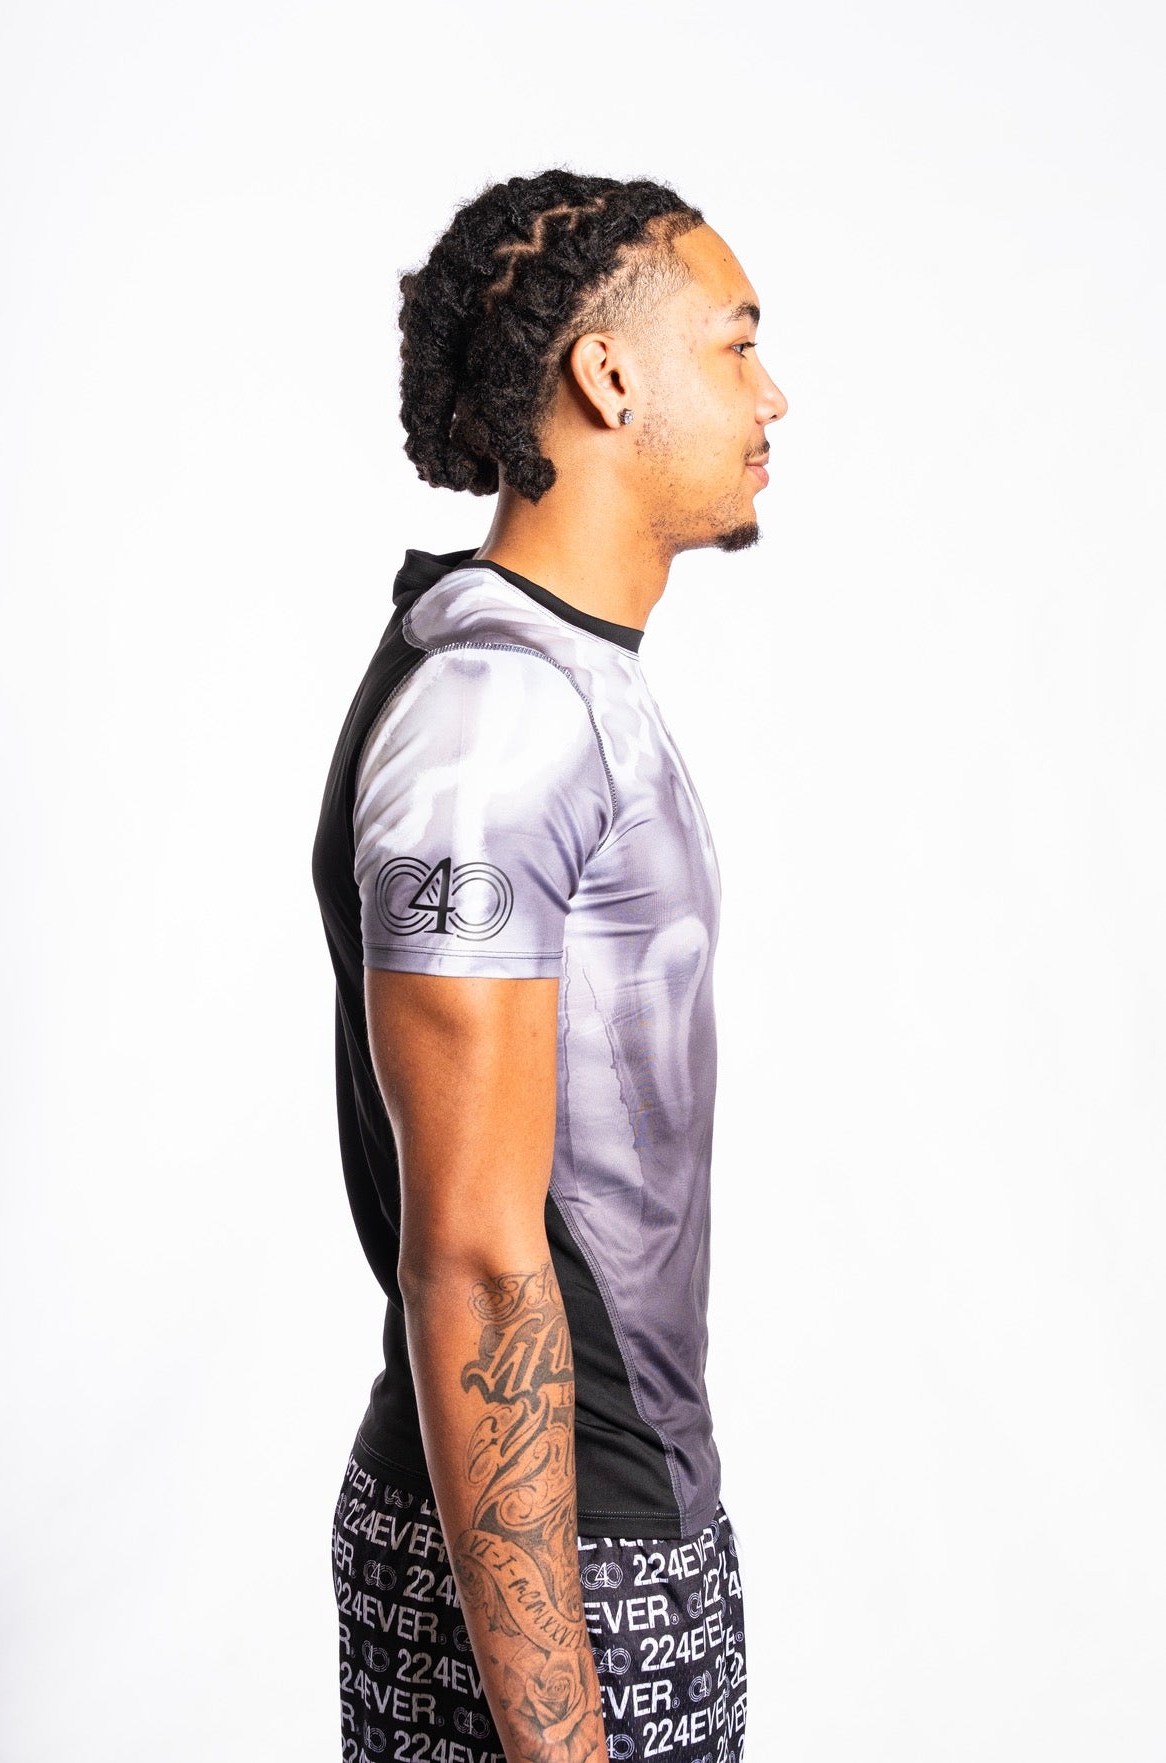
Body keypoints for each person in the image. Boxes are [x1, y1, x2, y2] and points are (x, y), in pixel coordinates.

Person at [312, 169, 787, 1763]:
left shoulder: (559, 684)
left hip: (615, 1534)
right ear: (610, 375)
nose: (772, 397)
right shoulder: (499, 725)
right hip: (554, 1569)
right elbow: (473, 1260)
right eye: (737, 345)